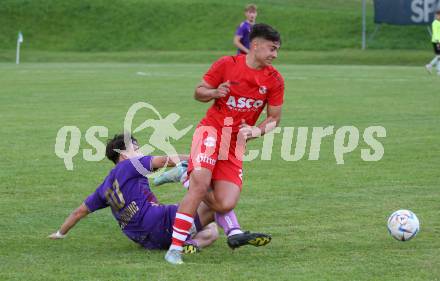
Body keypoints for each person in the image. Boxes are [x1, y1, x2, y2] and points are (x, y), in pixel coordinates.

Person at [165, 23, 284, 264]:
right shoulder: (227, 65)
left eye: (277, 50)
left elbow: (274, 119)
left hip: (234, 144)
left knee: (225, 202)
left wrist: (255, 130)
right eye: (272, 49)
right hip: (210, 131)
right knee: (200, 187)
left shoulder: (274, 79)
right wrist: (214, 93)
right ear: (256, 45)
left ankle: (185, 175)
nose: (275, 55)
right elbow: (198, 92)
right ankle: (175, 249)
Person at [48, 134, 218, 253]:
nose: (141, 153)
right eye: (136, 149)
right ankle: (227, 233)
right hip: (159, 222)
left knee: (212, 231)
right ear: (123, 155)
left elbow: (79, 212)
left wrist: (60, 233)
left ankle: (187, 245)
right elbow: (164, 160)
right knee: (215, 201)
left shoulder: (104, 188)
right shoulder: (130, 165)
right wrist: (199, 158)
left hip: (146, 241)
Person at [426, 10, 440, 74]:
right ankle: (430, 65)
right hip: (436, 41)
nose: (437, 16)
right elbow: (436, 33)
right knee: (439, 56)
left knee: (438, 56)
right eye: (437, 15)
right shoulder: (435, 23)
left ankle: (438, 71)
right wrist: (437, 42)